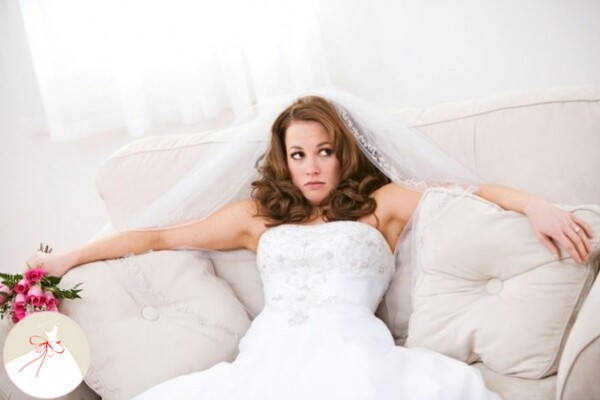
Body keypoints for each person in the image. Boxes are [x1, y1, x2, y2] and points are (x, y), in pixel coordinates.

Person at [27, 91, 592, 399]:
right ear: (285, 161)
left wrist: (536, 207)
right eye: (298, 155)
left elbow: (470, 192)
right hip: (267, 355)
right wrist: (68, 258)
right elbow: (156, 235)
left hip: (354, 349)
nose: (312, 166)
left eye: (324, 151)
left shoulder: (382, 204)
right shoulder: (257, 219)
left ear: (343, 152)